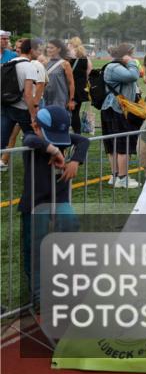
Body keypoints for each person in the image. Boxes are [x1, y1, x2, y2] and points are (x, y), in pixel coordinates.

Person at [19, 106, 87, 302]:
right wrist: (55, 151)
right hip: (35, 203)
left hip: (60, 199)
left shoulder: (63, 137)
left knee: (70, 228)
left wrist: (75, 161)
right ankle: (38, 296)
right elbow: (30, 139)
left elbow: (83, 141)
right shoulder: (32, 138)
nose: (58, 140)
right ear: (35, 126)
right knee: (35, 249)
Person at [101, 43, 142, 189]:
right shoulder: (114, 67)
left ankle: (116, 176)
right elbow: (133, 76)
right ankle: (122, 178)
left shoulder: (115, 66)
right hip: (116, 109)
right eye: (131, 54)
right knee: (121, 144)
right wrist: (131, 62)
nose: (133, 57)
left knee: (115, 144)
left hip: (113, 108)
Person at [0, 38, 44, 171]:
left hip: (6, 105)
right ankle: (37, 169)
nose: (39, 53)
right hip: (22, 109)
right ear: (31, 50)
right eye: (38, 50)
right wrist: (33, 114)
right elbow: (28, 94)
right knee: (33, 138)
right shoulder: (29, 66)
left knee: (2, 140)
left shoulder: (9, 62)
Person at [42, 39, 76, 114]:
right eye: (48, 47)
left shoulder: (65, 64)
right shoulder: (45, 63)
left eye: (51, 48)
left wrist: (71, 100)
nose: (48, 50)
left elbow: (71, 83)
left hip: (60, 99)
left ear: (59, 49)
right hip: (46, 98)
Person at [67, 37, 92, 133]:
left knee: (67, 112)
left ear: (71, 44)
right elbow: (89, 72)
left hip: (70, 87)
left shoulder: (69, 56)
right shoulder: (85, 57)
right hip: (81, 88)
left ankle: (67, 133)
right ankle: (77, 133)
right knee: (76, 112)